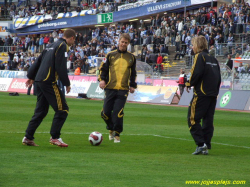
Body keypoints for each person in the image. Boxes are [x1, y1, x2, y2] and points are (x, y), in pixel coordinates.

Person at [22, 28, 76, 147]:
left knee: (41, 111)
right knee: (63, 109)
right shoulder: (63, 46)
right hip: (48, 81)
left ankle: (28, 137)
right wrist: (67, 83)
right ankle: (55, 137)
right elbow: (61, 66)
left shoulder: (50, 45)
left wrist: (31, 76)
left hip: (39, 81)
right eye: (74, 40)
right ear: (72, 38)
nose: (73, 43)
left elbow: (38, 61)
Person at [98, 33, 137, 143]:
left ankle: (117, 134)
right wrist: (102, 80)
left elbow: (133, 73)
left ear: (128, 44)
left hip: (123, 90)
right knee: (104, 113)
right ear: (118, 41)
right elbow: (103, 69)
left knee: (118, 113)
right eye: (122, 42)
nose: (123, 44)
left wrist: (132, 85)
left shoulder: (131, 57)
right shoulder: (110, 55)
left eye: (126, 42)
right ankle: (111, 128)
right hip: (110, 88)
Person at [185, 36, 221, 155]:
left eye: (193, 45)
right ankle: (206, 144)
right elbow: (218, 78)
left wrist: (188, 83)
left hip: (201, 94)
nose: (192, 47)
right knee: (208, 120)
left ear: (197, 45)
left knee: (192, 119)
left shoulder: (199, 56)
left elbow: (196, 73)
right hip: (212, 94)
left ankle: (201, 144)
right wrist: (215, 92)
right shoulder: (213, 59)